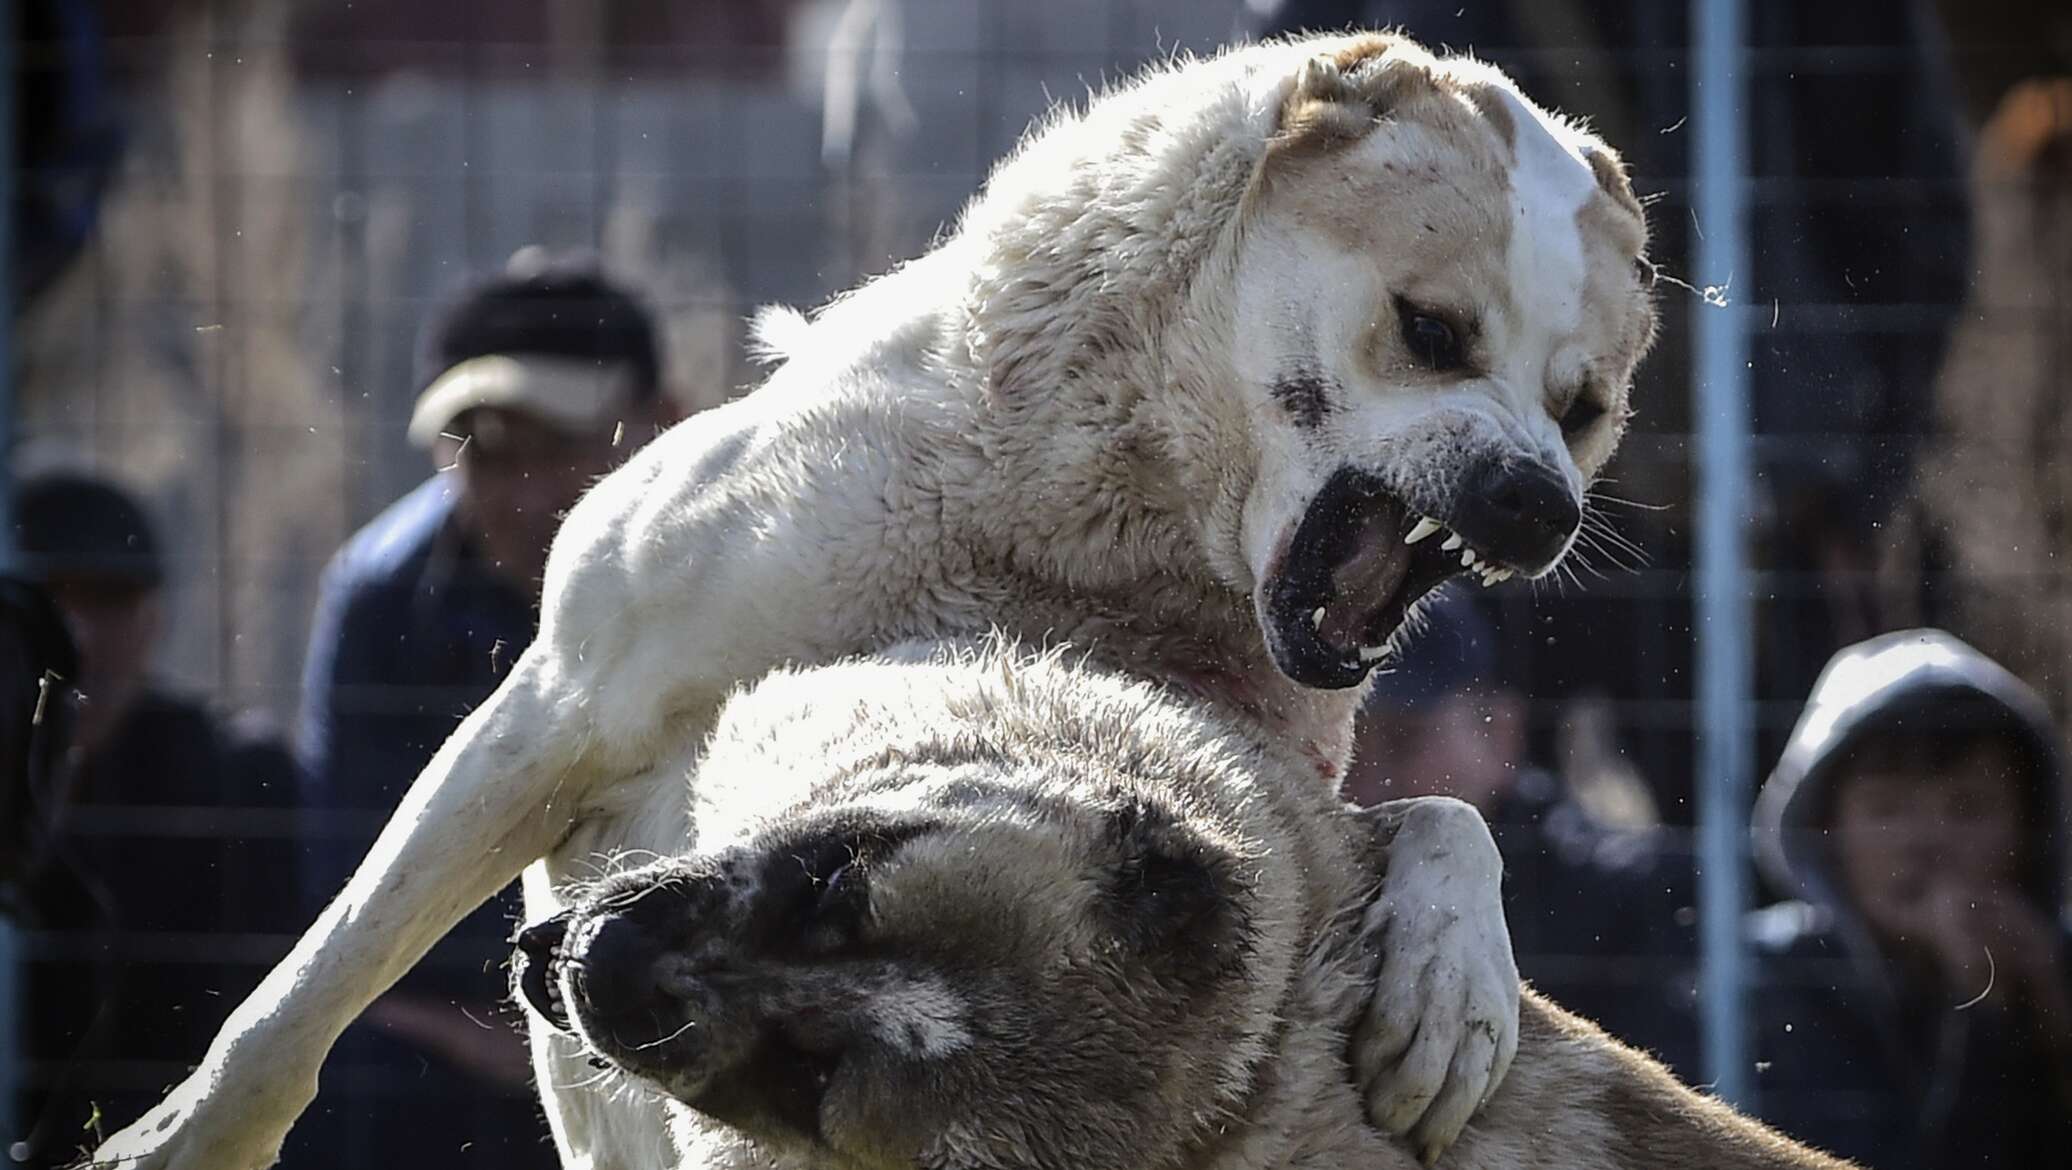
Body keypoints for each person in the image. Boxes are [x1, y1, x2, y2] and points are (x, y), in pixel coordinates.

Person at [292, 256, 678, 1168]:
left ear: (663, 425)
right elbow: (355, 912)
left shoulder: (755, 575)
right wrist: (529, 1050)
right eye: (489, 454)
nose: (527, 495)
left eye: (562, 445)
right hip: (458, 1049)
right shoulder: (379, 598)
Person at [4, 471, 302, 1169]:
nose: (79, 631)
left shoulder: (236, 781)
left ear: (155, 615)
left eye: (111, 598)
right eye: (52, 598)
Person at [1749, 629, 2072, 1170]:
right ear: (1827, 830)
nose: (1924, 841)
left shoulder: (2058, 967)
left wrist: (2055, 1027)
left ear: (2030, 828)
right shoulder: (1772, 982)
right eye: (1885, 809)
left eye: (1967, 807)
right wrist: (1983, 1014)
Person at [1348, 591, 1699, 1078]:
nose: (1367, 780)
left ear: (1499, 731)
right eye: (1348, 742)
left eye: (1403, 739)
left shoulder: (1628, 904)